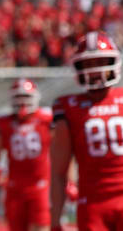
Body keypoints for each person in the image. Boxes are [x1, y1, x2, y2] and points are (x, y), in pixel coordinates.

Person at [51, 31, 123, 231]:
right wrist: (55, 220)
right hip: (92, 203)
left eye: (100, 61)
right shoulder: (68, 106)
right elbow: (59, 171)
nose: (95, 70)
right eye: (89, 64)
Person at [0, 78, 52, 231]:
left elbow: (61, 151)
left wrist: (68, 180)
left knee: (41, 227)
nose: (22, 102)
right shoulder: (3, 122)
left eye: (26, 97)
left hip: (40, 186)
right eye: (18, 97)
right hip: (14, 186)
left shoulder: (46, 119)